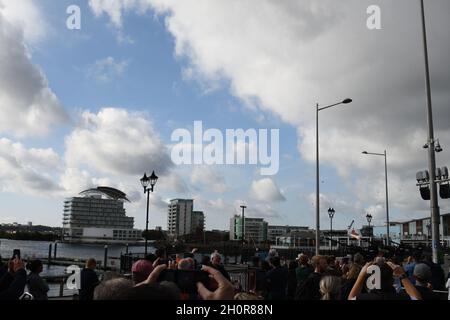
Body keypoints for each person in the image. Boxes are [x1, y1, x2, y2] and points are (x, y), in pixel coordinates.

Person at [348, 261, 422, 300]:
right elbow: (417, 298)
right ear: (392, 281)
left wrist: (361, 275)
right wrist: (402, 275)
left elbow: (351, 298)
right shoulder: (402, 297)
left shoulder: (363, 298)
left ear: (373, 281)